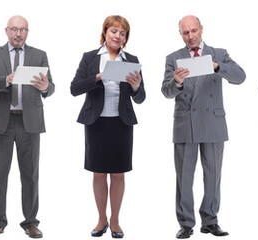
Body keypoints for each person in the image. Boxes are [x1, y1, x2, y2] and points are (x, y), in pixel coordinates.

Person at [161, 15, 245, 239]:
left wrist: (217, 66)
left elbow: (240, 77)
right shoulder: (173, 58)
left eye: (194, 31)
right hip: (185, 122)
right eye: (186, 32)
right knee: (184, 178)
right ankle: (186, 223)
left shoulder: (219, 53)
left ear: (201, 29)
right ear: (180, 34)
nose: (191, 36)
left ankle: (210, 220)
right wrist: (177, 82)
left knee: (213, 175)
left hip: (213, 121)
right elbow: (166, 91)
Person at [70, 15, 145, 239]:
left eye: (122, 33)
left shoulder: (131, 59)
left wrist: (136, 86)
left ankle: (115, 220)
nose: (117, 36)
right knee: (99, 172)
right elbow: (74, 88)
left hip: (121, 122)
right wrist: (98, 77)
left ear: (126, 38)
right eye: (114, 31)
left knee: (119, 173)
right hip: (96, 122)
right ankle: (101, 219)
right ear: (105, 32)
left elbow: (141, 98)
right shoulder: (90, 58)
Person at [0, 15, 53, 239]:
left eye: (22, 30)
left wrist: (45, 87)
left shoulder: (39, 55)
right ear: (6, 31)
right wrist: (7, 79)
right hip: (1, 120)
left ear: (27, 32)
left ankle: (30, 222)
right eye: (14, 29)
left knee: (30, 174)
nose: (18, 34)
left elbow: (50, 88)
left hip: (29, 122)